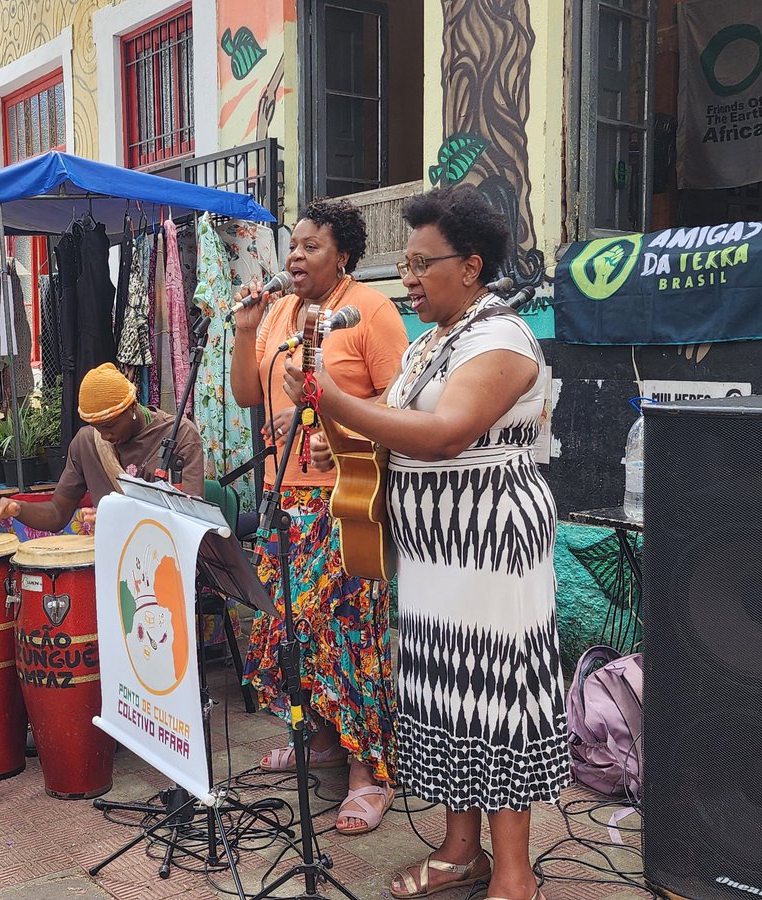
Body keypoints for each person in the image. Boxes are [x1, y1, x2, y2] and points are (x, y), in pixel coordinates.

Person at [283, 186, 568, 900]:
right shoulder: (432, 344)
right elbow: (388, 423)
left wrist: (327, 397)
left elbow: (446, 433)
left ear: (470, 267)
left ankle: (512, 874)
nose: (405, 279)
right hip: (436, 553)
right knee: (446, 694)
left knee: (496, 697)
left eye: (419, 264)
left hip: (490, 550)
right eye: (402, 264)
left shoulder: (500, 338)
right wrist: (334, 433)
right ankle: (458, 850)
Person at [230, 197, 409, 835]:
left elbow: (400, 404)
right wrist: (247, 328)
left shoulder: (373, 312)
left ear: (344, 256)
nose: (295, 256)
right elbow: (250, 395)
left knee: (347, 633)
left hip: (348, 498)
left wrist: (330, 425)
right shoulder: (282, 311)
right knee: (288, 629)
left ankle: (370, 771)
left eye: (310, 246)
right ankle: (326, 740)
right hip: (288, 498)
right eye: (293, 245)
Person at [0, 362, 204, 533]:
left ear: (132, 406)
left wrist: (123, 518)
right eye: (96, 427)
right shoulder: (87, 442)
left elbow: (188, 521)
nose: (105, 435)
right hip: (114, 566)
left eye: (110, 425)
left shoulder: (180, 435)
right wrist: (18, 508)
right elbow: (57, 514)